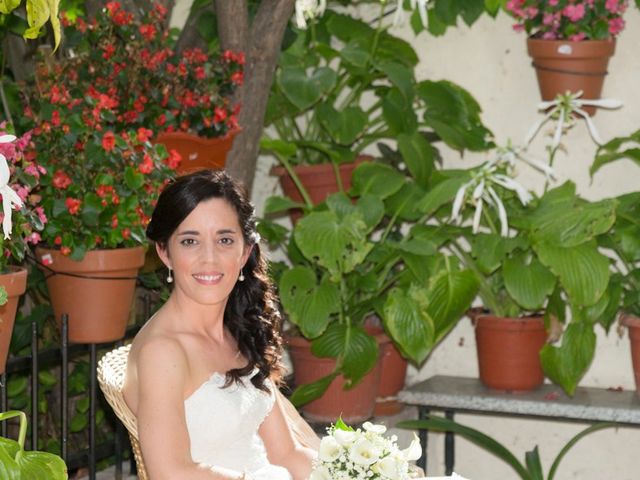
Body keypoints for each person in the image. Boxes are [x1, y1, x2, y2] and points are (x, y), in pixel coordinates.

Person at [122, 170, 317, 479]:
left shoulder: (235, 330)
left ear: (245, 253)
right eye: (190, 241)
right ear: (164, 252)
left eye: (224, 240)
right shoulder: (163, 352)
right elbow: (170, 472)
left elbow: (287, 454)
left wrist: (357, 470)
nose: (209, 258)